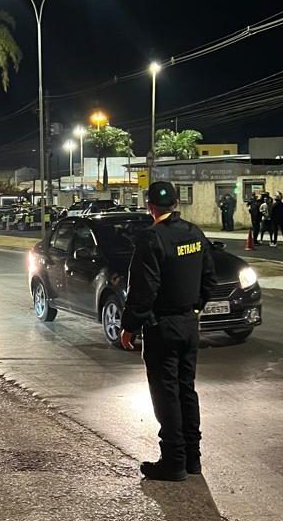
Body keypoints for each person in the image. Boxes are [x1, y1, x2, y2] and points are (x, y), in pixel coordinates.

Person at [120, 182, 217, 482]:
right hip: (189, 324)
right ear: (176, 203)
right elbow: (209, 278)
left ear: (150, 206)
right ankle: (192, 459)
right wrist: (194, 308)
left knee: (166, 393)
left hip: (163, 326)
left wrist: (130, 326)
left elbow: (143, 289)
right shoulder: (194, 233)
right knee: (186, 390)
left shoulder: (151, 238)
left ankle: (173, 461)